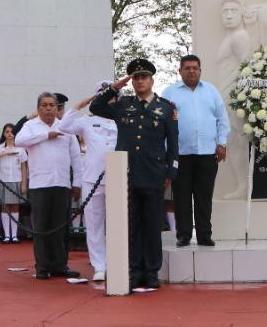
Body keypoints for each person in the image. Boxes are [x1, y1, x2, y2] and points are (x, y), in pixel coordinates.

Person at [91, 59, 179, 291]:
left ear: (152, 80)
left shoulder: (166, 107)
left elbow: (174, 144)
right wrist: (115, 87)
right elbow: (95, 108)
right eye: (136, 78)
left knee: (152, 224)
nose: (140, 81)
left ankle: (151, 272)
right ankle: (132, 270)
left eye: (144, 77)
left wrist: (171, 170)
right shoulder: (123, 104)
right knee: (130, 225)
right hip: (126, 174)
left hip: (153, 173)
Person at [161, 54, 229, 248]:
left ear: (200, 70)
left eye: (195, 68)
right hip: (179, 154)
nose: (191, 71)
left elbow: (222, 119)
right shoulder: (169, 92)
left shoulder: (211, 91)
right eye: (187, 68)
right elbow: (162, 124)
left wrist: (222, 143)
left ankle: (204, 235)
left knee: (204, 196)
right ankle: (183, 235)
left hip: (207, 153)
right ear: (180, 71)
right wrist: (166, 153)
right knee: (181, 196)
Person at [17, 92, 83, 279]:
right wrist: (47, 135)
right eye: (44, 105)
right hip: (40, 184)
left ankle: (60, 265)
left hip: (62, 183)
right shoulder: (30, 126)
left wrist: (77, 183)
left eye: (52, 105)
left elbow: (76, 158)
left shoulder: (66, 128)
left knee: (60, 227)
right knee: (41, 227)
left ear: (57, 108)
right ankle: (43, 267)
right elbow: (19, 141)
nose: (48, 108)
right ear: (38, 108)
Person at [59, 85, 120, 281]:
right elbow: (64, 126)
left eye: (113, 95)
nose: (110, 99)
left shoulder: (122, 119)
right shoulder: (86, 121)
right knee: (94, 225)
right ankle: (99, 265)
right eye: (103, 95)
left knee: (118, 223)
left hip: (118, 179)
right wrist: (80, 104)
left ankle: (117, 262)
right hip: (92, 179)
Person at [0, 122, 29, 244]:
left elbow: (24, 167)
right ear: (3, 134)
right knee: (5, 207)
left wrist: (24, 183)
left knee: (15, 208)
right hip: (3, 180)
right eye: (7, 132)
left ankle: (14, 235)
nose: (9, 134)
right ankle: (7, 235)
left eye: (12, 132)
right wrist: (6, 152)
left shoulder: (21, 149)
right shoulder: (0, 147)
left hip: (16, 180)